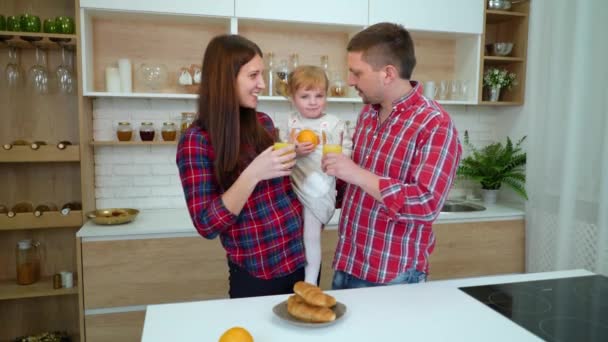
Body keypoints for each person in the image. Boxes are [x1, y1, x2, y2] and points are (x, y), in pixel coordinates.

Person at [321, 22, 462, 289]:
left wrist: (356, 173)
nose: (350, 81)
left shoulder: (434, 124)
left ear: (387, 73)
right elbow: (354, 186)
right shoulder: (369, 114)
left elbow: (426, 203)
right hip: (347, 263)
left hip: (392, 276)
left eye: (357, 73)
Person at [176, 34, 306, 298]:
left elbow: (284, 190)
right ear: (226, 79)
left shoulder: (264, 123)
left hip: (298, 259)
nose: (261, 84)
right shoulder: (196, 142)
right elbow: (206, 225)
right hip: (255, 274)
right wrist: (253, 173)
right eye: (253, 75)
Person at [283, 65, 352, 285]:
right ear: (293, 98)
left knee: (310, 237)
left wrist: (338, 158)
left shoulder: (334, 123)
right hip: (292, 186)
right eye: (305, 96)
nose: (313, 101)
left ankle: (311, 281)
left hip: (318, 188)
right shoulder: (291, 122)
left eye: (319, 95)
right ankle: (293, 275)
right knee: (291, 237)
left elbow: (346, 150)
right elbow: (279, 151)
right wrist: (293, 149)